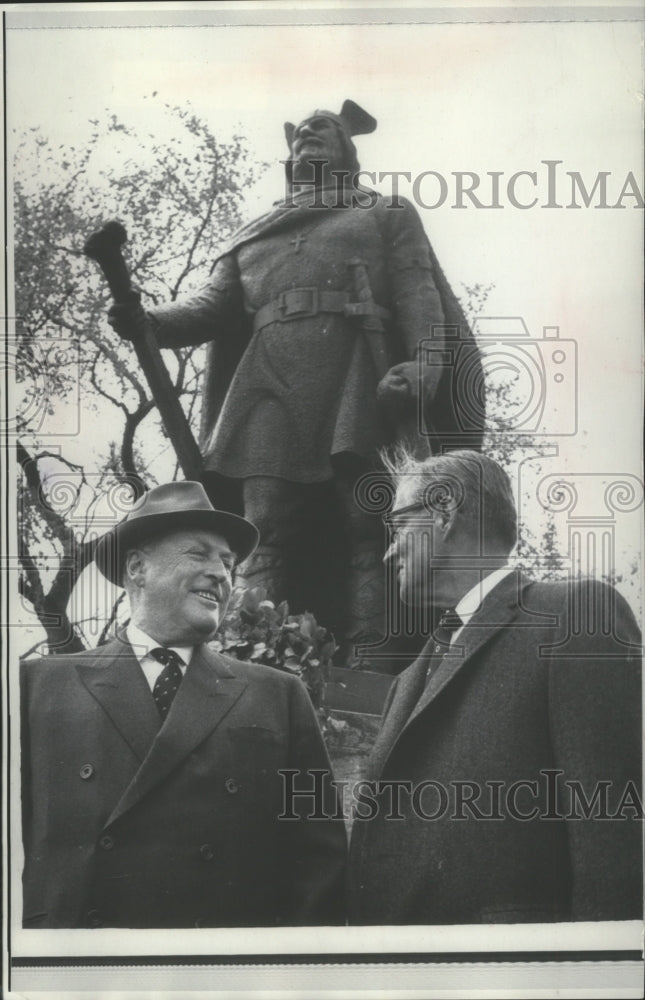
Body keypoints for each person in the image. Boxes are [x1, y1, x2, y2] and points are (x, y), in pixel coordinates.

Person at [107, 100, 483, 660]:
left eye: (324, 130)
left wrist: (426, 366)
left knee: (368, 521)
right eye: (302, 132)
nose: (309, 135)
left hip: (356, 381)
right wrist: (147, 321)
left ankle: (371, 658)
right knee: (262, 526)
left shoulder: (384, 212)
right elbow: (211, 308)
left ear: (348, 152)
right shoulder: (251, 237)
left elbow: (417, 294)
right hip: (267, 386)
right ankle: (251, 656)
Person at [21, 481, 347, 929]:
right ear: (138, 567)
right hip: (81, 970)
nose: (222, 574)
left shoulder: (280, 695)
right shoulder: (37, 685)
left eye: (229, 563)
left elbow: (320, 866)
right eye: (199, 554)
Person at [348, 449, 642, 924]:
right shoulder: (407, 680)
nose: (388, 551)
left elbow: (611, 835)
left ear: (444, 511)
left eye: (399, 526)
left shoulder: (574, 617)